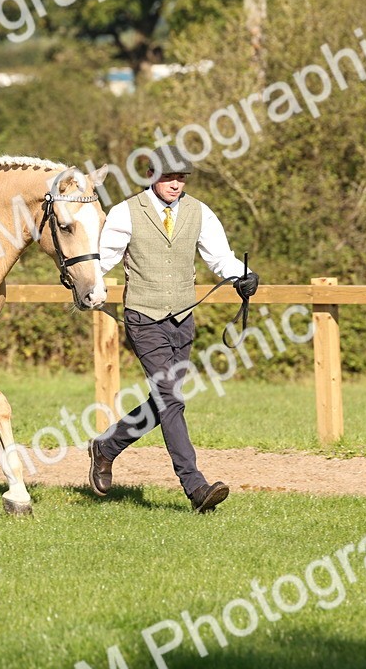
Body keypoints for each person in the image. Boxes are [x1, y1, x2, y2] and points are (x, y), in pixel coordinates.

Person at [88, 153, 259, 513]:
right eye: (169, 177)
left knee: (164, 401)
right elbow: (104, 259)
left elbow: (220, 258)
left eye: (181, 177)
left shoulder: (199, 212)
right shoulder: (125, 212)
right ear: (150, 175)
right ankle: (196, 486)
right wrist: (88, 284)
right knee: (171, 398)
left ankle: (106, 447)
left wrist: (242, 275)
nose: (176, 183)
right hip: (143, 317)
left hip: (182, 319)